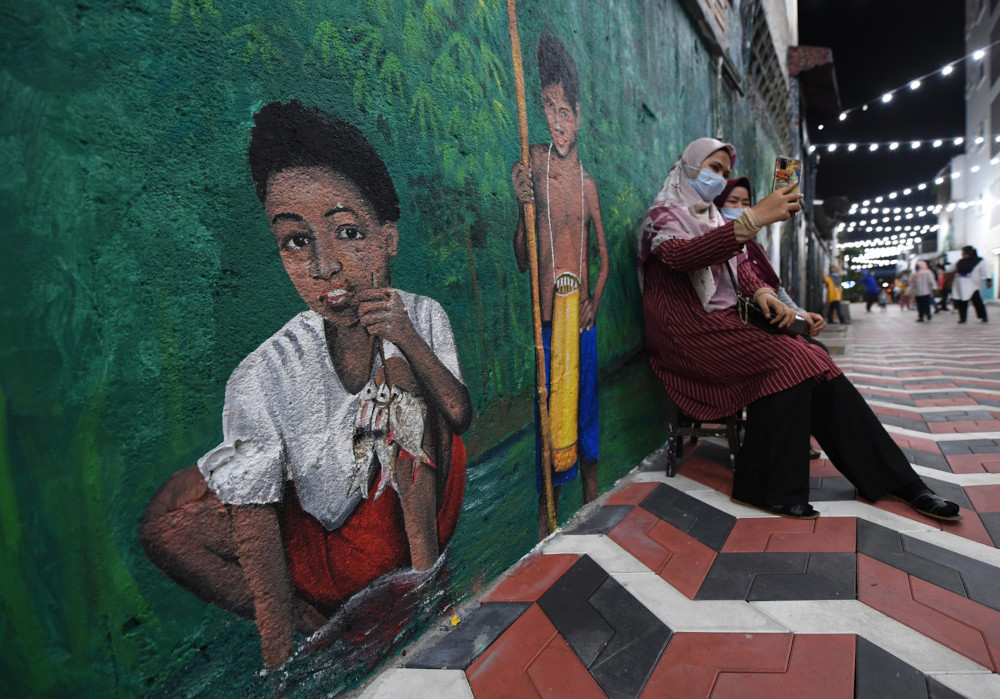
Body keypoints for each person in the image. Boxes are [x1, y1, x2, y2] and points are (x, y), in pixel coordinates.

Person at [139, 101, 473, 668]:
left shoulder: (422, 313)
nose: (324, 266)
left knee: (397, 372)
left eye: (347, 232)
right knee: (171, 508)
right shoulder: (262, 371)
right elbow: (255, 526)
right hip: (327, 551)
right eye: (296, 241)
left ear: (387, 237)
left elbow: (460, 416)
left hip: (408, 522)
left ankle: (427, 587)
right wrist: (279, 660)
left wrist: (407, 338)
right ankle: (317, 627)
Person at [638, 137, 960, 522]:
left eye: (724, 172)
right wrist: (753, 218)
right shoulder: (663, 215)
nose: (719, 179)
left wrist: (761, 294)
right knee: (792, 357)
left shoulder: (709, 216)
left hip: (726, 326)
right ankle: (766, 487)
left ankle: (897, 480)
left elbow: (740, 268)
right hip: (687, 335)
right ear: (687, 165)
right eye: (713, 168)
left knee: (816, 360)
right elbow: (682, 256)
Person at [511, 34, 608, 539]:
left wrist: (594, 298)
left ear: (579, 115)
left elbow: (604, 261)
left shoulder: (588, 184)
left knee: (585, 413)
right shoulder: (532, 166)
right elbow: (523, 260)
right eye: (548, 108)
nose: (556, 119)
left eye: (565, 109)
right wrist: (522, 204)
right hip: (548, 325)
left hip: (582, 323)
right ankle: (550, 523)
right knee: (550, 424)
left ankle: (591, 508)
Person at [714, 177, 825, 459]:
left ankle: (797, 433)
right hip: (739, 326)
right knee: (792, 355)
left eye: (746, 203)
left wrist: (801, 314)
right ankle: (774, 441)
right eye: (732, 201)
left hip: (769, 316)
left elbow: (774, 288)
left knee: (815, 351)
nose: (740, 208)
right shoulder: (716, 239)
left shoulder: (754, 244)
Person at [953, 245, 990, 323]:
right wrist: (939, 265)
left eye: (963, 251)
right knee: (962, 303)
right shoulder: (960, 262)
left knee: (977, 302)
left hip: (973, 285)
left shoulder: (980, 261)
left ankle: (983, 316)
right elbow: (950, 268)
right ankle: (962, 318)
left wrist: (988, 280)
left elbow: (985, 271)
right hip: (961, 285)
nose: (962, 253)